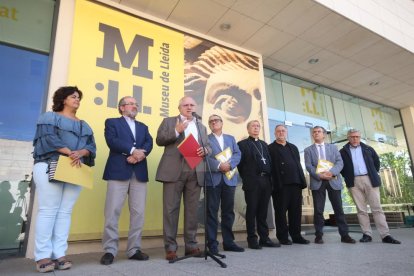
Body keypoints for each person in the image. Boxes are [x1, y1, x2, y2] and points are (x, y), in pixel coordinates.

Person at [32, 86, 96, 272]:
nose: (77, 99)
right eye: (73, 96)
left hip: (75, 169)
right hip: (49, 164)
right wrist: (71, 152)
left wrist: (81, 152)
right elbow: (49, 138)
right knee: (48, 210)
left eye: (78, 97)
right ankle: (42, 256)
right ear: (63, 99)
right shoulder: (49, 117)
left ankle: (59, 254)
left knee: (65, 212)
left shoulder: (85, 125)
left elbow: (91, 146)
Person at [155, 96, 210, 261]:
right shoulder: (169, 121)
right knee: (171, 210)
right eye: (185, 105)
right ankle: (170, 248)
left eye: (192, 104)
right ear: (179, 107)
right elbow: (159, 140)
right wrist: (176, 131)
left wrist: (206, 150)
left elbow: (208, 145)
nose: (189, 107)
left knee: (192, 211)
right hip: (174, 170)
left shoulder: (201, 126)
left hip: (195, 170)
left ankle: (191, 246)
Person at [100, 96, 153, 265]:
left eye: (136, 104)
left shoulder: (143, 126)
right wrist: (132, 150)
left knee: (138, 213)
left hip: (139, 172)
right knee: (112, 212)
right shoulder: (112, 122)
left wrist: (139, 156)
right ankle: (110, 250)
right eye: (131, 104)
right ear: (122, 107)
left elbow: (149, 143)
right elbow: (112, 141)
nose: (135, 106)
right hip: (118, 171)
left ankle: (134, 249)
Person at [340, 129, 401, 244]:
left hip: (370, 179)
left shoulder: (368, 149)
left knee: (377, 208)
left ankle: (385, 235)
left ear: (360, 137)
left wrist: (371, 174)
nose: (355, 139)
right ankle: (366, 234)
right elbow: (342, 168)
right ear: (348, 137)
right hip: (354, 182)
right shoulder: (342, 151)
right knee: (361, 210)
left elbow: (376, 163)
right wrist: (348, 176)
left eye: (357, 136)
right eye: (352, 136)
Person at [304, 126, 355, 244]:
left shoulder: (333, 147)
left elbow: (339, 162)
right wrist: (319, 175)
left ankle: (345, 235)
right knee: (318, 211)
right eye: (314, 132)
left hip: (333, 181)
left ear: (324, 135)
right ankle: (318, 235)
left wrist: (331, 172)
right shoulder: (308, 150)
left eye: (318, 132)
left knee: (339, 209)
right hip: (318, 181)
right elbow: (308, 166)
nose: (316, 133)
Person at [237, 120, 280, 249]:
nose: (256, 128)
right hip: (252, 181)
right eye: (253, 126)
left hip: (265, 181)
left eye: (257, 126)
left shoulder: (264, 145)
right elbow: (240, 165)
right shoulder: (242, 144)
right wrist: (248, 177)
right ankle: (252, 239)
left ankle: (264, 238)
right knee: (252, 210)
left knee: (263, 211)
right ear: (248, 129)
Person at [205, 114, 243, 255]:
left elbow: (237, 154)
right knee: (212, 212)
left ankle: (228, 242)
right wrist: (219, 165)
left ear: (222, 123)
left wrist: (230, 165)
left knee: (228, 212)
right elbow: (203, 158)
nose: (214, 122)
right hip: (212, 179)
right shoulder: (205, 139)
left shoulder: (230, 138)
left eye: (216, 120)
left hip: (229, 179)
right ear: (209, 125)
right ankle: (212, 244)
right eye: (211, 121)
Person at [268, 125, 309, 245]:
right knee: (280, 212)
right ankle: (283, 237)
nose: (281, 133)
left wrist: (302, 180)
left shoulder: (294, 147)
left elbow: (297, 165)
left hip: (295, 183)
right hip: (280, 185)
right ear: (275, 133)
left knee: (296, 212)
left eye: (283, 131)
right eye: (278, 131)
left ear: (286, 132)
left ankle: (296, 236)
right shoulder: (270, 148)